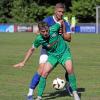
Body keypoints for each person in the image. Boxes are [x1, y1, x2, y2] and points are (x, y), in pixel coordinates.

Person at [14, 3, 73, 100]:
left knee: (69, 68)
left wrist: (60, 33)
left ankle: (68, 85)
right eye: (59, 11)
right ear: (55, 11)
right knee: (42, 70)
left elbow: (69, 38)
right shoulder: (47, 20)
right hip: (47, 49)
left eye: (63, 12)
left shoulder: (65, 22)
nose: (61, 13)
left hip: (60, 49)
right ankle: (30, 93)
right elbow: (38, 32)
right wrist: (23, 62)